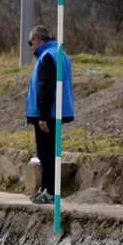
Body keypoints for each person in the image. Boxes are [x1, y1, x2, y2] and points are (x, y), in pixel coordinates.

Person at [25, 25, 75, 205]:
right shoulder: (60, 54)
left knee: (46, 153)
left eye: (31, 43)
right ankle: (47, 189)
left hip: (49, 113)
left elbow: (45, 89)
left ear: (37, 40)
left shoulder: (47, 57)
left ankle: (50, 191)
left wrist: (43, 116)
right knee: (50, 152)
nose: (31, 48)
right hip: (59, 111)